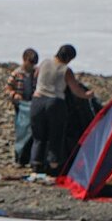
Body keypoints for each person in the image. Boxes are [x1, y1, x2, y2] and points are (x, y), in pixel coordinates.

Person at [29, 44, 94, 175]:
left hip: (37, 101)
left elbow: (35, 76)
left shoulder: (44, 63)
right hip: (55, 102)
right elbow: (75, 90)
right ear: (69, 58)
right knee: (55, 135)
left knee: (38, 136)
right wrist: (87, 95)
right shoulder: (65, 70)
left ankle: (36, 164)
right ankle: (53, 166)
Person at [4, 48, 38, 166]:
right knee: (21, 130)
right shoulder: (17, 73)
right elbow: (8, 87)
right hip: (21, 105)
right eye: (30, 62)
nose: (32, 65)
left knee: (31, 131)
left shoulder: (36, 73)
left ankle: (27, 157)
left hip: (32, 104)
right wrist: (14, 94)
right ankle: (19, 157)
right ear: (24, 60)